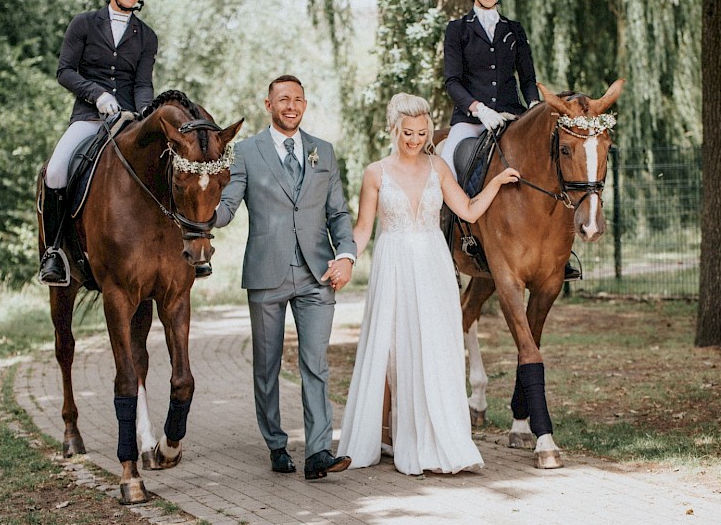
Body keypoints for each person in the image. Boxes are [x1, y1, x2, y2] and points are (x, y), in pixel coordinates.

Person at [336, 93, 519, 475]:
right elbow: (363, 230)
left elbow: (466, 209)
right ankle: (388, 435)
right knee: (391, 347)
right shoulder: (376, 173)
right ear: (393, 129)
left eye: (421, 132)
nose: (415, 139)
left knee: (436, 346)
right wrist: (345, 257)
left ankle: (438, 440)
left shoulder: (438, 168)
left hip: (434, 264)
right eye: (407, 132)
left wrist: (498, 182)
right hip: (395, 264)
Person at [214, 75, 357, 481]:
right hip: (266, 274)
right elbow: (227, 207)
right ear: (268, 104)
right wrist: (200, 214)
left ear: (305, 105)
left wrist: (345, 255)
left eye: (297, 99)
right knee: (267, 365)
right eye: (282, 99)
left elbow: (338, 214)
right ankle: (276, 443)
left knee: (316, 364)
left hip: (317, 273)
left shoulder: (323, 152)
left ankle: (317, 453)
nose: (290, 105)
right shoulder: (245, 153)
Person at [441, 0, 580, 281]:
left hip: (512, 116)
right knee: (445, 167)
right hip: (472, 119)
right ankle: (447, 246)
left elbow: (527, 78)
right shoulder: (458, 29)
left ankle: (561, 252)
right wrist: (478, 109)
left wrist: (533, 106)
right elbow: (452, 81)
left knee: (552, 168)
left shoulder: (513, 30)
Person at [38, 0, 158, 287]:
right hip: (90, 118)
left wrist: (145, 114)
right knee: (56, 171)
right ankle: (54, 252)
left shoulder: (146, 36)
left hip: (131, 120)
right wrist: (97, 95)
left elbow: (143, 82)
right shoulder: (84, 24)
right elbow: (65, 71)